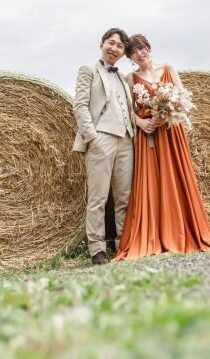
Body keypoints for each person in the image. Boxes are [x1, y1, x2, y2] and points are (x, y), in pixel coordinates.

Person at [114, 34, 210, 260]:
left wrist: (165, 114)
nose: (140, 54)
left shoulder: (169, 68)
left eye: (142, 49)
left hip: (171, 133)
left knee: (177, 178)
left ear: (148, 48)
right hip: (148, 136)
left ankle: (182, 232)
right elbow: (128, 110)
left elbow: (182, 100)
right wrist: (142, 122)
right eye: (134, 52)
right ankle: (154, 234)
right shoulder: (131, 78)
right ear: (130, 57)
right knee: (151, 182)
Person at [72, 28, 136, 265]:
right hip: (102, 138)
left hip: (126, 140)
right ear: (102, 44)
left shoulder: (122, 77)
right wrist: (93, 137)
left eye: (120, 46)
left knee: (124, 197)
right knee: (98, 196)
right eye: (111, 43)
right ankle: (97, 249)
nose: (115, 49)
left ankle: (124, 244)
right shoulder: (88, 70)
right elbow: (79, 105)